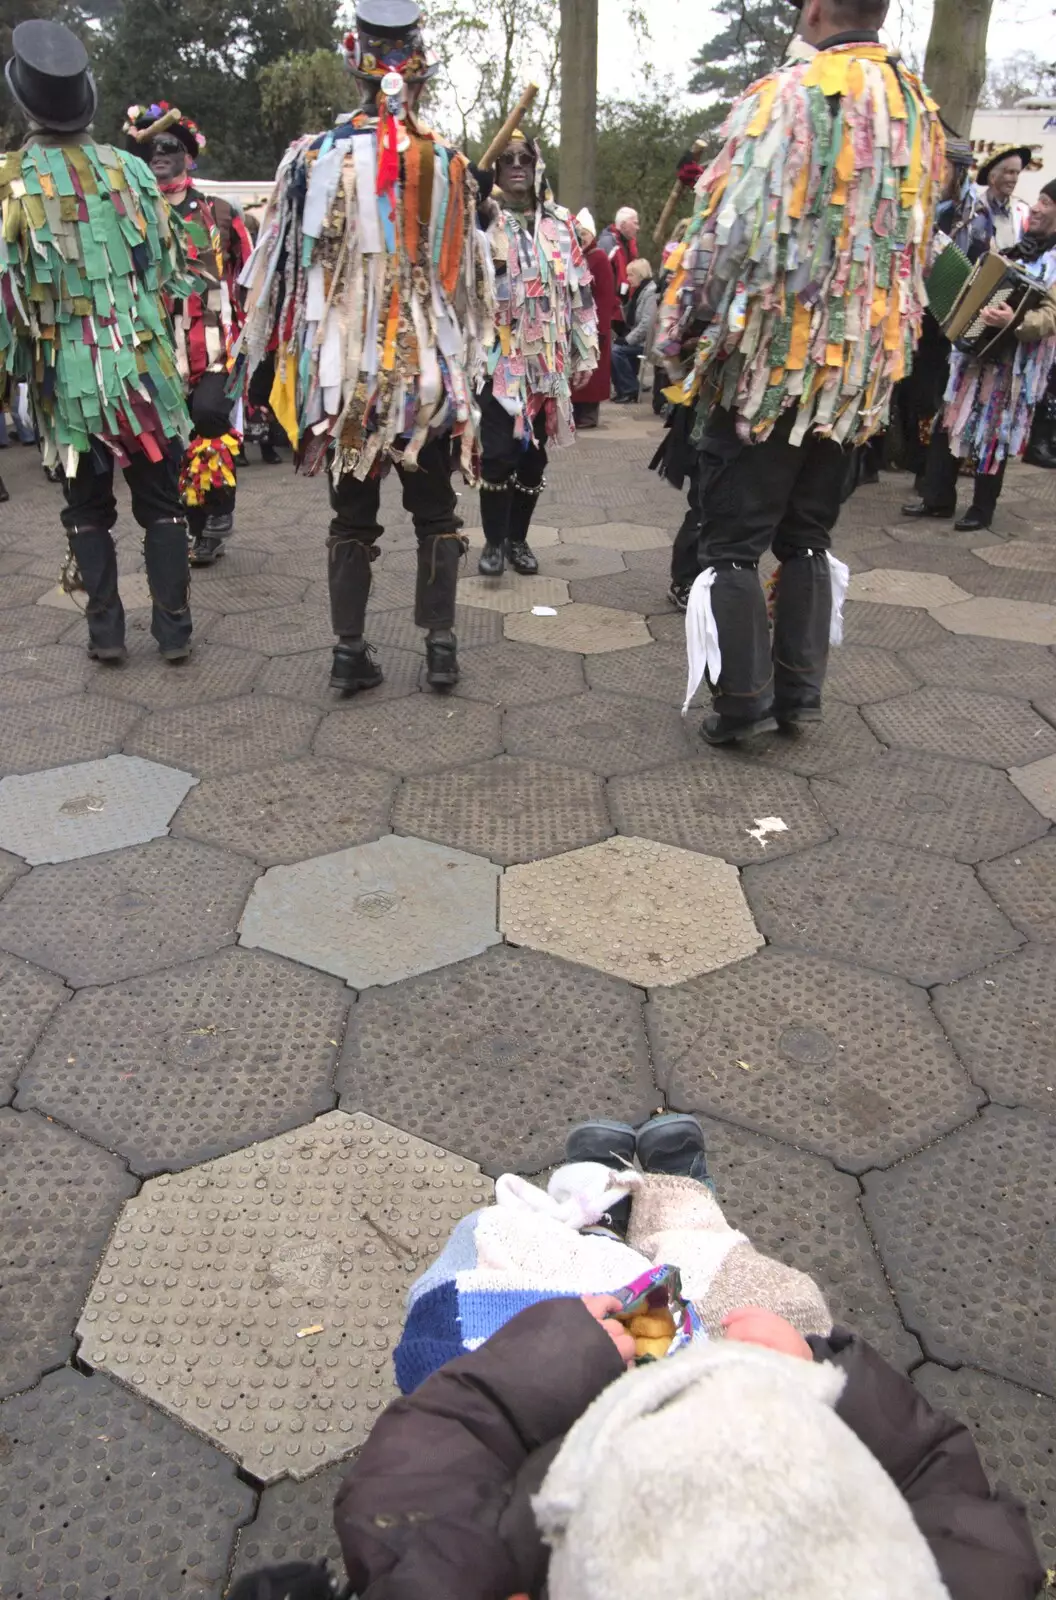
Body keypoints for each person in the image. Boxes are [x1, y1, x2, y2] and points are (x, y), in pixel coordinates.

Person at [331, 1114, 1044, 1600]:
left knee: (484, 1272)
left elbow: (408, 1501)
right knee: (769, 1300)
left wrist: (541, 1371)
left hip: (569, 1440)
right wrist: (823, 1385)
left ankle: (607, 1228)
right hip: (749, 1396)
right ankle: (679, 1206)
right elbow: (950, 1497)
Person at [657, 0, 942, 746]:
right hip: (852, 384)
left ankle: (742, 700)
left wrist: (680, 332)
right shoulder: (919, 112)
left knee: (731, 542)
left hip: (765, 374)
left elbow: (723, 235)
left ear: (815, 8)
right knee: (808, 534)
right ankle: (801, 695)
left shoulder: (782, 98)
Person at [236, 0, 494, 694]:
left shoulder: (310, 158)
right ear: (419, 71)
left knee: (352, 513)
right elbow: (467, 285)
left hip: (344, 376)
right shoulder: (449, 163)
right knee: (435, 508)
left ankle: (349, 651)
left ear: (355, 65)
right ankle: (440, 645)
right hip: (422, 376)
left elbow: (287, 275)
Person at [0, 20, 193, 664]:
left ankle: (106, 631)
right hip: (142, 366)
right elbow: (166, 269)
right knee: (161, 499)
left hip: (68, 375)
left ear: (25, 104)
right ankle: (174, 630)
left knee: (86, 504)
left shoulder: (11, 185)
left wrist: (28, 367)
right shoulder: (132, 172)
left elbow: (11, 298)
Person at [125, 101, 251, 566]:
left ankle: (219, 512)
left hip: (215, 345)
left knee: (211, 416)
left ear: (189, 156)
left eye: (171, 146)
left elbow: (251, 271)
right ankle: (196, 530)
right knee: (175, 440)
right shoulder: (135, 214)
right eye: (153, 147)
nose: (160, 153)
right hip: (159, 349)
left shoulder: (219, 212)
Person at [476, 131, 598, 578]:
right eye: (506, 159)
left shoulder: (562, 224)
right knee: (497, 454)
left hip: (548, 363)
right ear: (495, 168)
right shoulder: (482, 221)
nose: (516, 165)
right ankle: (491, 541)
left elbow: (581, 293)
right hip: (498, 360)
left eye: (524, 157)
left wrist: (585, 354)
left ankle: (517, 538)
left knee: (533, 457)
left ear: (537, 164)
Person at [901, 180, 1056, 531]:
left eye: (1046, 202)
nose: (1036, 207)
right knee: (950, 420)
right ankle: (938, 498)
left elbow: (1051, 316)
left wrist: (1013, 320)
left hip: (1013, 363)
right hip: (975, 353)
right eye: (1039, 199)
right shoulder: (1019, 248)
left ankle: (982, 509)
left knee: (995, 433)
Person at [572, 208, 616, 429]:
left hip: (594, 325)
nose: (582, 238)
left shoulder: (598, 258)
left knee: (593, 371)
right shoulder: (577, 258)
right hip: (578, 322)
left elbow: (606, 295)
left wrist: (601, 328)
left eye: (585, 234)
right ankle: (578, 412)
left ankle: (588, 414)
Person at [610, 257, 657, 402]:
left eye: (631, 275)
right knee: (613, 349)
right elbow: (630, 319)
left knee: (616, 351)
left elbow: (646, 323)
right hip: (639, 338)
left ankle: (630, 389)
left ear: (640, 274)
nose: (628, 279)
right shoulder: (639, 291)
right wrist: (624, 302)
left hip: (647, 341)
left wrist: (628, 340)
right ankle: (623, 389)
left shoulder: (651, 292)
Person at [597, 205, 640, 332]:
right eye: (635, 223)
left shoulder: (628, 244)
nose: (638, 228)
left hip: (623, 305)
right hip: (612, 309)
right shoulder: (608, 244)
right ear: (623, 225)